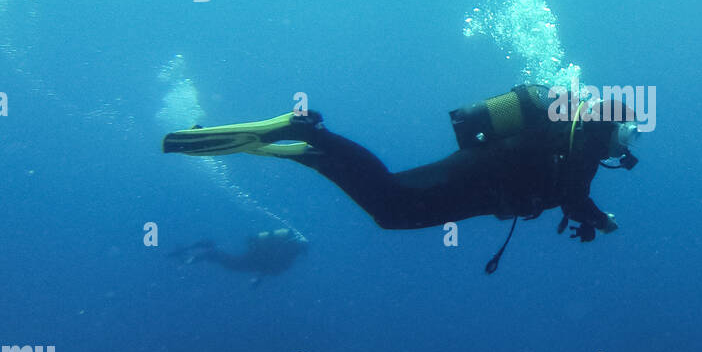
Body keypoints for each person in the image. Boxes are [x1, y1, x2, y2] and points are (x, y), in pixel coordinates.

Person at [162, 84, 638, 271]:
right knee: (390, 198)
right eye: (628, 135)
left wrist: (591, 215)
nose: (626, 147)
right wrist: (605, 222)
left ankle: (307, 149)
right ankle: (310, 134)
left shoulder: (574, 144)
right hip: (480, 179)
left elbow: (572, 196)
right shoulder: (586, 145)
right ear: (611, 126)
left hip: (481, 181)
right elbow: (575, 197)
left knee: (389, 210)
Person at [169, 228, 307, 285]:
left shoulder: (286, 253)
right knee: (226, 261)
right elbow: (273, 268)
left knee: (226, 260)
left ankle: (192, 253)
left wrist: (258, 277)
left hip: (252, 259)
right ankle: (198, 252)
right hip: (251, 260)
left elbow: (271, 266)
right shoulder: (288, 256)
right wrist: (258, 277)